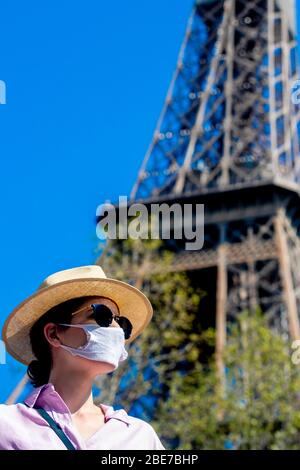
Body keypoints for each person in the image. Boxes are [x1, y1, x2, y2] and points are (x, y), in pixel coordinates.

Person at [0, 265, 165, 450]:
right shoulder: (6, 425)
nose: (117, 329)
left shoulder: (140, 436)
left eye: (122, 323)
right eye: (102, 315)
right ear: (54, 334)